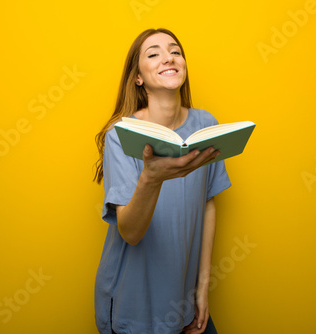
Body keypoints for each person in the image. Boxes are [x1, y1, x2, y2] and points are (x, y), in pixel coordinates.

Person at [93, 28, 231, 334]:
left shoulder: (205, 125)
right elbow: (130, 232)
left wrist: (202, 288)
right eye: (153, 53)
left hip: (182, 300)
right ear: (138, 77)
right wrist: (151, 178)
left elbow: (208, 203)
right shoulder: (121, 136)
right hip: (133, 307)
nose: (168, 57)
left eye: (175, 51)